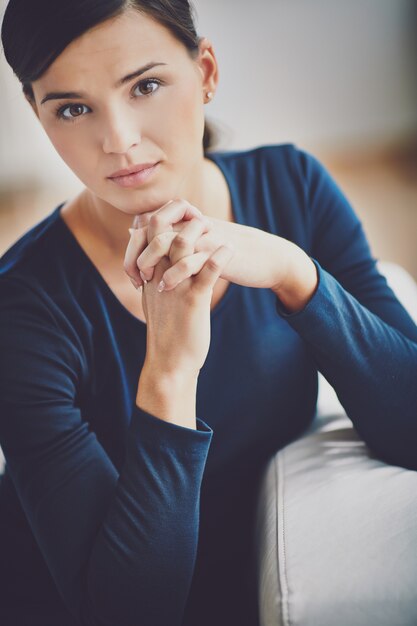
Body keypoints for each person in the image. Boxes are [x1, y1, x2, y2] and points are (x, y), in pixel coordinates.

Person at [1, 1, 417, 625]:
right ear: (40, 116)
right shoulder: (22, 309)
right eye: (73, 108)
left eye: (145, 85)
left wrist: (296, 275)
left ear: (207, 71)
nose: (118, 140)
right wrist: (168, 374)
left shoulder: (291, 188)